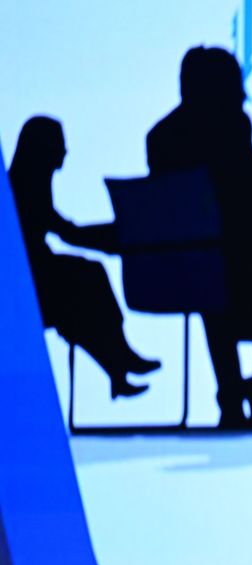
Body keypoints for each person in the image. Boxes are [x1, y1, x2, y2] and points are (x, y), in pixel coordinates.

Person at [148, 46, 252, 427]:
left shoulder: (162, 137)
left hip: (199, 266)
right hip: (236, 267)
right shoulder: (227, 127)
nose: (241, 95)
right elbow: (248, 192)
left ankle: (250, 397)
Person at [8, 116, 160, 398]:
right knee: (87, 284)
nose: (64, 151)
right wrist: (114, 238)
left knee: (82, 299)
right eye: (59, 144)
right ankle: (118, 361)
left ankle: (118, 365)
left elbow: (66, 230)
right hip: (29, 280)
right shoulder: (26, 187)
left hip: (35, 274)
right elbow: (67, 232)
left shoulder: (29, 183)